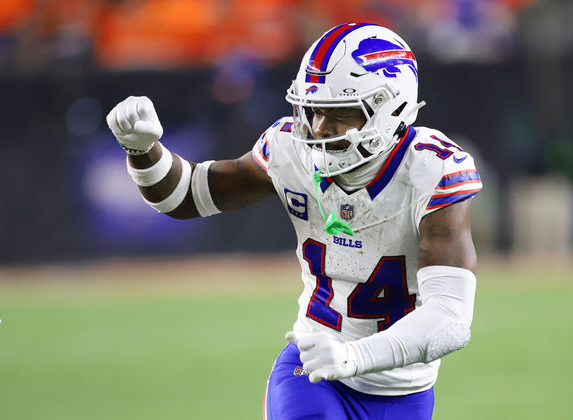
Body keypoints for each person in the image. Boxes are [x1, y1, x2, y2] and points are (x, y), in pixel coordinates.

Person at [107, 22, 482, 420]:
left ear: (391, 110)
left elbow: (450, 320)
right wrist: (143, 150)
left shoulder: (431, 169)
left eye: (338, 114)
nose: (319, 128)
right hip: (312, 371)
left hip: (405, 391)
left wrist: (353, 356)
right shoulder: (290, 150)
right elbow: (185, 195)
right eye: (314, 110)